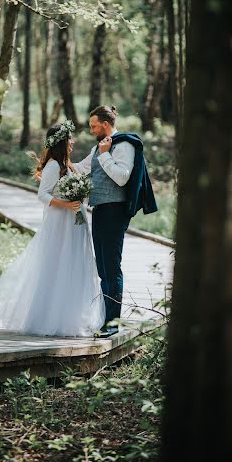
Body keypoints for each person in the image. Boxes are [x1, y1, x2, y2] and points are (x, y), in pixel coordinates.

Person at [0, 120, 105, 337]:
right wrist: (67, 204)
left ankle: (73, 315)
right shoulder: (52, 167)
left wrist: (99, 149)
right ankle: (52, 317)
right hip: (60, 222)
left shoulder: (66, 165)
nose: (73, 142)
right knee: (59, 264)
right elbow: (43, 194)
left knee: (74, 263)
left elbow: (85, 166)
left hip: (74, 221)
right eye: (69, 139)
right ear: (61, 142)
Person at [74, 105, 157, 337]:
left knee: (111, 266)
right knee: (102, 266)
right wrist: (58, 163)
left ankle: (113, 322)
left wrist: (105, 155)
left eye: (93, 126)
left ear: (106, 124)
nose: (91, 130)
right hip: (100, 209)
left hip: (115, 211)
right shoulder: (100, 146)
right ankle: (105, 319)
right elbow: (82, 168)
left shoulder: (124, 145)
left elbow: (122, 178)